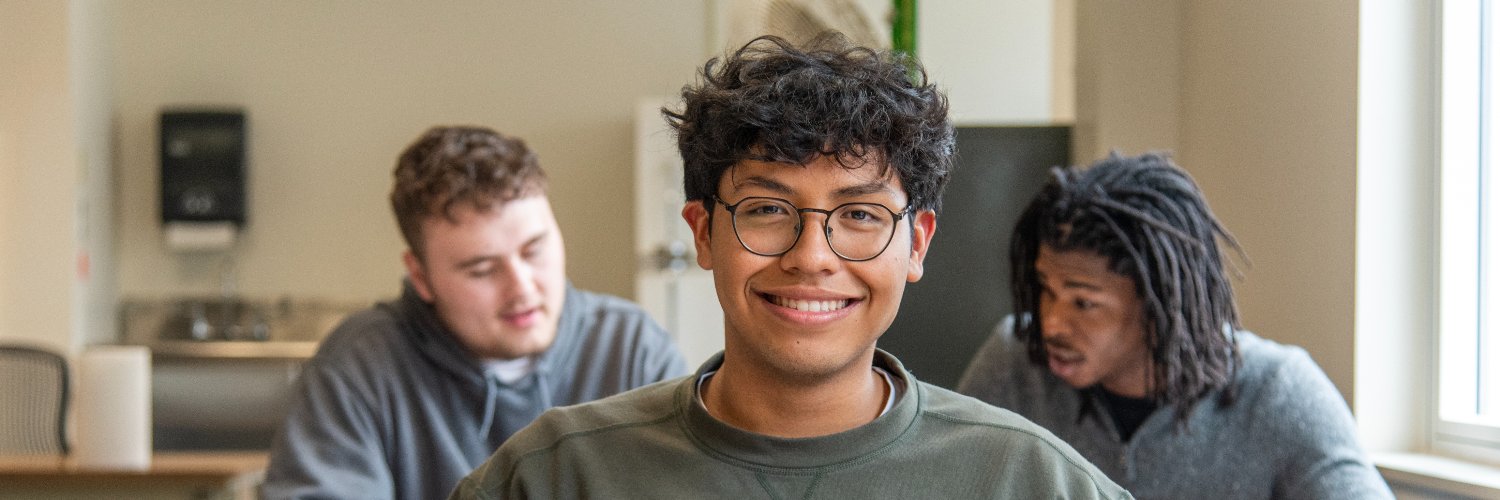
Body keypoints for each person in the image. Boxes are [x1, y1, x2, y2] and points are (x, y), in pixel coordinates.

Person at [449, 34, 1129, 499]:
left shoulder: (1029, 480)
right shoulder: (556, 476)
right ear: (704, 231)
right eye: (768, 210)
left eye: (860, 215)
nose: (811, 258)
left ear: (917, 243)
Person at [262, 126, 689, 500]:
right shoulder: (359, 367)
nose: (522, 287)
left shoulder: (633, 349)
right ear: (421, 276)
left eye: (534, 250)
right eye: (482, 269)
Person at [956, 152, 1394, 499]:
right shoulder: (1014, 363)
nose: (1051, 323)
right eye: (1045, 290)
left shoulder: (1279, 391)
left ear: (1159, 302)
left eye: (1084, 303)